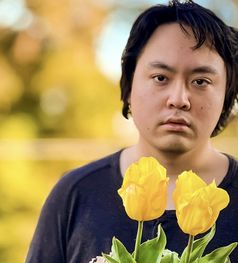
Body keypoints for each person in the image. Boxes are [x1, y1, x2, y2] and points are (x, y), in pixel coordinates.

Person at [26, 1, 238, 262]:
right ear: (128, 87)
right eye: (161, 77)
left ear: (227, 97)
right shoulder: (76, 193)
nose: (179, 99)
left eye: (201, 81)